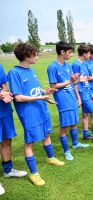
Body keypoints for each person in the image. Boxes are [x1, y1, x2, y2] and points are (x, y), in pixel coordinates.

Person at [8, 43, 65, 186]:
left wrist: (45, 92)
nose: (38, 58)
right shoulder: (14, 73)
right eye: (35, 55)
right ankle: (34, 174)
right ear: (27, 56)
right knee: (30, 142)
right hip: (29, 113)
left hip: (41, 108)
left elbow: (35, 89)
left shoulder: (31, 70)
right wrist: (40, 97)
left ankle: (51, 158)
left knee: (47, 134)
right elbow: (18, 97)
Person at [47, 41, 89, 161]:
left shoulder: (68, 65)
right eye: (69, 52)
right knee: (64, 127)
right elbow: (53, 86)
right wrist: (70, 81)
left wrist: (78, 81)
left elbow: (72, 82)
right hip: (63, 100)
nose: (71, 54)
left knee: (74, 123)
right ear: (62, 52)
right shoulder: (53, 67)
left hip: (72, 98)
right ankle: (66, 151)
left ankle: (75, 144)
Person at [0, 64, 27, 194]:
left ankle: (8, 170)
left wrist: (4, 94)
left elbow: (3, 84)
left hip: (3, 110)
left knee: (6, 140)